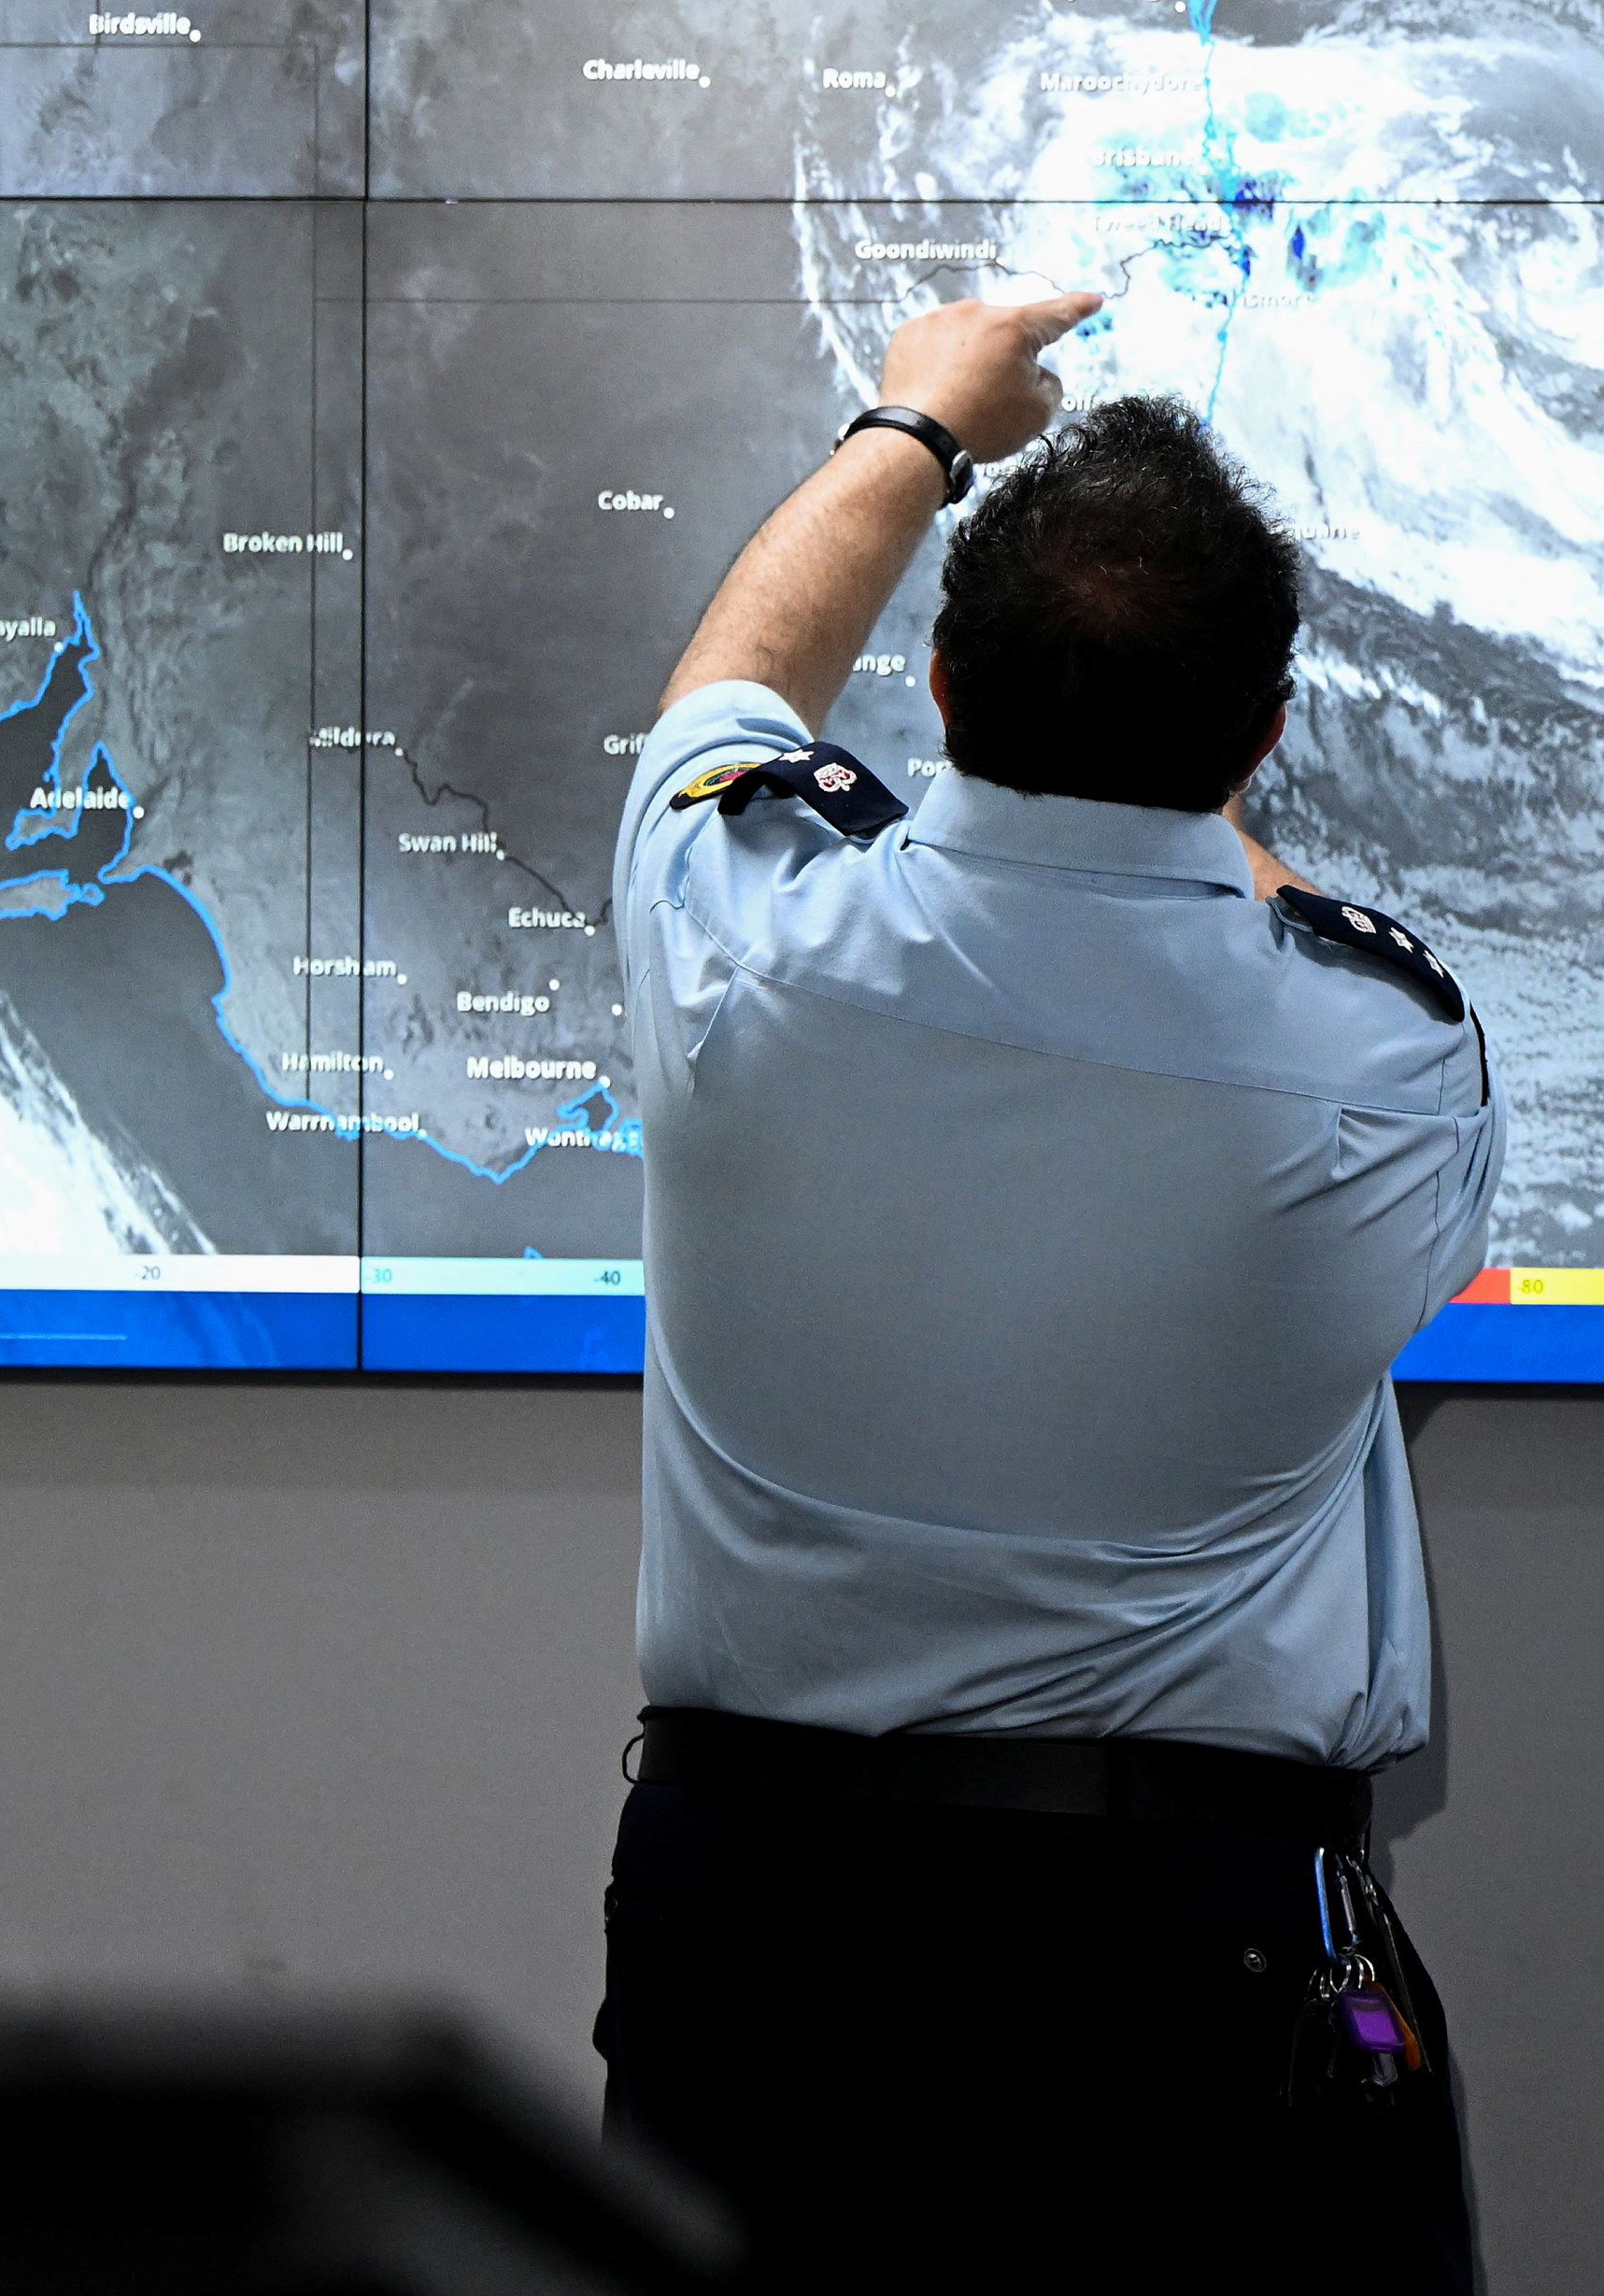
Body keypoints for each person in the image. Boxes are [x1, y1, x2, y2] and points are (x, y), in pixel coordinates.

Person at [591, 290, 1503, 2292]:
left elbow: (721, 697)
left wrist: (917, 420)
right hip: (1192, 1950)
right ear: (1260, 735)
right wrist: (1167, 771)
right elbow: (1224, 897)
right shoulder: (1376, 1062)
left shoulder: (738, 948)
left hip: (759, 1941)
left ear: (928, 685)